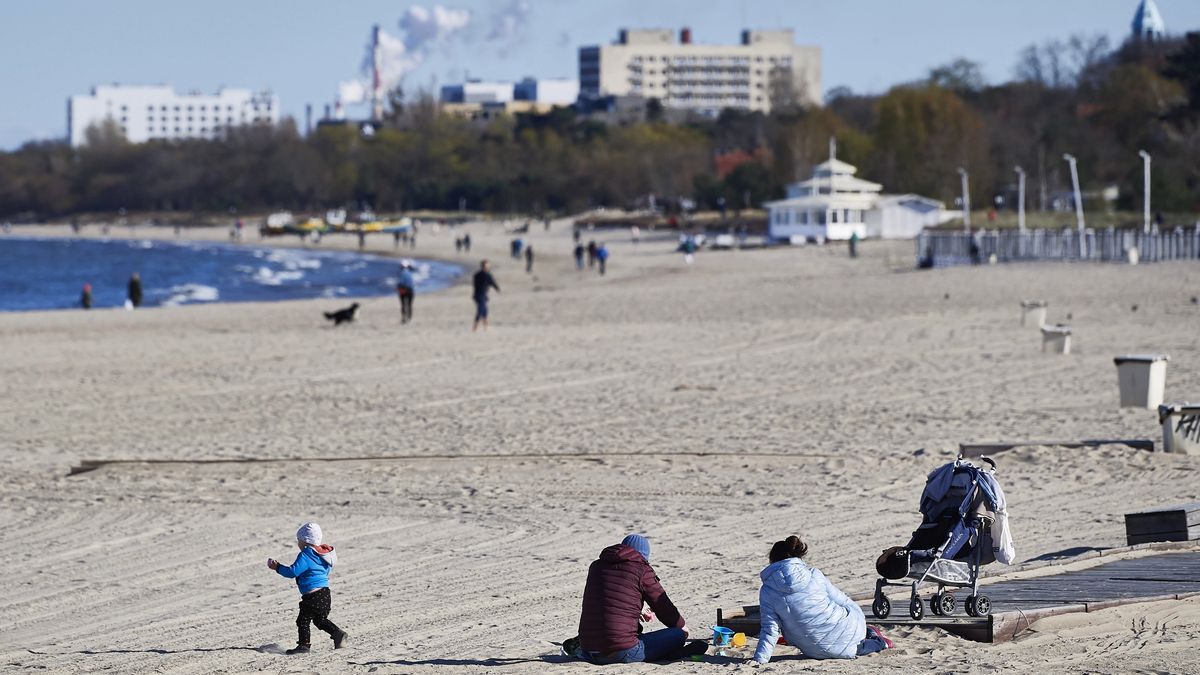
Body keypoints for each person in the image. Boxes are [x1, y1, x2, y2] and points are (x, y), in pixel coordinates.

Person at [751, 536, 893, 664]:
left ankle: (870, 634)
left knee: (852, 647)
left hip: (812, 650)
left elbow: (770, 630)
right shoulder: (814, 574)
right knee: (854, 629)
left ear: (772, 561)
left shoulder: (767, 591)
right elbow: (843, 600)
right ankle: (877, 639)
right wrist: (857, 617)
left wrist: (760, 660)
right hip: (848, 630)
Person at [567, 534, 706, 664]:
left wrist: (638, 609)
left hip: (588, 649)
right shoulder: (641, 569)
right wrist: (681, 627)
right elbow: (663, 606)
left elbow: (607, 599)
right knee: (677, 635)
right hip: (621, 652)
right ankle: (670, 654)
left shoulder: (596, 567)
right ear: (644, 556)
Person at [267, 523, 349, 655]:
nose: (298, 544)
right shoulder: (324, 556)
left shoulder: (306, 555)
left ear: (305, 541)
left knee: (303, 620)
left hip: (312, 596)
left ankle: (304, 646)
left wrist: (277, 567)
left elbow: (292, 572)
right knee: (320, 620)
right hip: (325, 593)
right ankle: (338, 634)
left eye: (299, 540)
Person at [472, 259, 500, 331]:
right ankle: (475, 327)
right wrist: (497, 289)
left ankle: (486, 326)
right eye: (487, 266)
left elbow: (476, 284)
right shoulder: (487, 275)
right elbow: (493, 283)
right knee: (481, 310)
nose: (489, 267)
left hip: (478, 295)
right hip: (481, 295)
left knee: (485, 310)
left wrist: (496, 287)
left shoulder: (477, 274)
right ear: (484, 267)